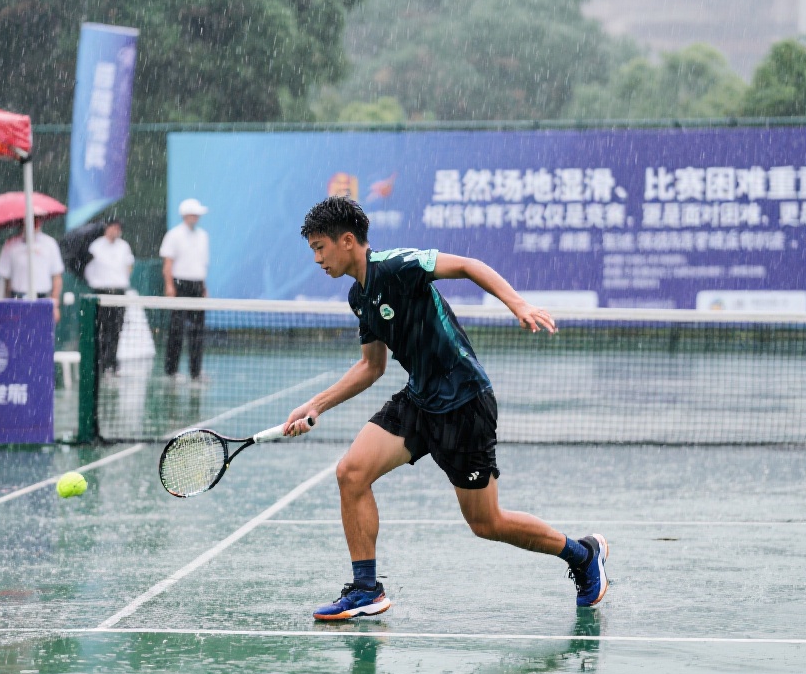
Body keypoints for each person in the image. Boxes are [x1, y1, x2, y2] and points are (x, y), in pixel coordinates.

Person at [284, 197, 609, 621]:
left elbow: (469, 266)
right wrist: (315, 405)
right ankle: (366, 590)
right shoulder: (358, 297)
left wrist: (518, 304)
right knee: (351, 473)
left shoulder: (396, 266)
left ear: (347, 240)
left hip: (464, 403)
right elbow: (372, 366)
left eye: (320, 247)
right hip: (419, 400)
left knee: (486, 523)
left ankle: (583, 554)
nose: (317, 259)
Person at [160, 198, 210, 381]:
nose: (196, 217)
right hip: (180, 285)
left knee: (197, 331)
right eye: (193, 214)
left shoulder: (203, 236)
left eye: (197, 214)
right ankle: (171, 371)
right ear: (185, 215)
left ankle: (195, 372)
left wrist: (203, 288)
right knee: (176, 329)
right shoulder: (174, 235)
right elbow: (168, 263)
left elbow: (201, 265)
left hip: (197, 286)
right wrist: (170, 286)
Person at [84, 218, 135, 375]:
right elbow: (88, 268)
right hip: (101, 292)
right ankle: (101, 363)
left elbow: (129, 265)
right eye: (113, 227)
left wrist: (120, 281)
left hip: (119, 293)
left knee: (116, 328)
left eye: (118, 228)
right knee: (101, 329)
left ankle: (112, 363)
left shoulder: (124, 246)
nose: (115, 231)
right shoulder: (96, 246)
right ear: (106, 228)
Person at [0, 220, 64, 323]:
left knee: (42, 330)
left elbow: (57, 276)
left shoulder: (50, 244)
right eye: (31, 219)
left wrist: (54, 304)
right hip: (17, 299)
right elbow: (6, 279)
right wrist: (5, 305)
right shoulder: (11, 244)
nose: (34, 223)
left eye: (37, 219)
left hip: (43, 299)